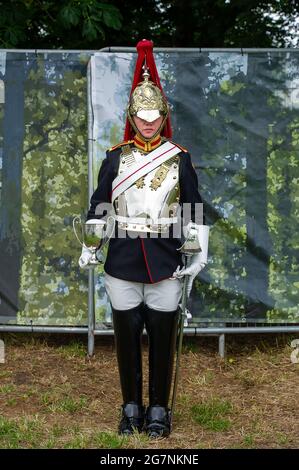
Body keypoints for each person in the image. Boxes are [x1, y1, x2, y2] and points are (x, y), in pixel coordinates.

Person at [79, 39, 209, 438]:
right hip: (121, 257)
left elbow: (194, 207)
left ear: (163, 115)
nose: (149, 123)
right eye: (142, 116)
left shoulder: (178, 157)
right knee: (126, 337)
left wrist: (198, 252)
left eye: (155, 117)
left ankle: (159, 411)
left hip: (164, 257)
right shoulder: (115, 157)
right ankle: (130, 408)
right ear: (132, 117)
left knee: (164, 338)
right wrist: (90, 246)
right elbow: (101, 204)